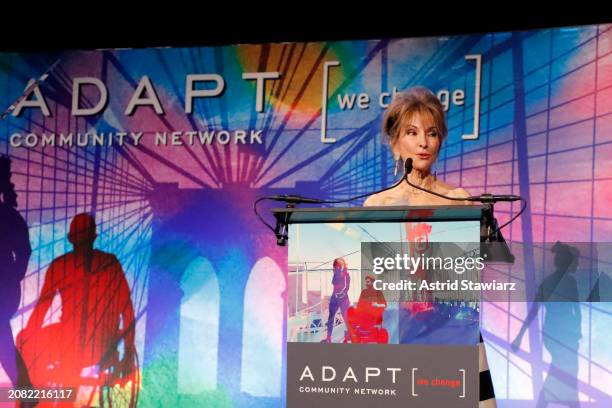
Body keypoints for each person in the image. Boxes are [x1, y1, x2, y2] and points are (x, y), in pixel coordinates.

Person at [364, 87, 496, 407]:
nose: (423, 142)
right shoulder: (376, 205)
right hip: (403, 330)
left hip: (453, 323)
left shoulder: (459, 199)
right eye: (412, 132)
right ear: (395, 143)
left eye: (432, 133)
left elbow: (474, 268)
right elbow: (371, 279)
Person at [17, 213, 137, 395]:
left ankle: (39, 394)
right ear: (94, 237)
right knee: (27, 342)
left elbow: (42, 308)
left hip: (71, 342)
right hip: (100, 346)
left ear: (70, 238)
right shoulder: (110, 263)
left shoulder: (59, 266)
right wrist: (128, 352)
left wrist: (27, 338)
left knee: (24, 342)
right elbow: (126, 310)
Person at [511, 242, 581, 407]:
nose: (578, 265)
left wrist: (519, 337)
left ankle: (547, 402)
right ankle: (551, 402)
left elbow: (533, 312)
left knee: (563, 371)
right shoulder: (570, 282)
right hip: (565, 336)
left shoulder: (547, 282)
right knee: (568, 372)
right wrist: (577, 332)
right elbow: (576, 312)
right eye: (576, 262)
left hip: (553, 334)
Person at [0, 156, 33, 390]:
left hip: (4, 288)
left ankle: (26, 390)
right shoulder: (11, 215)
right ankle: (27, 391)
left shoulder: (9, 216)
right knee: (2, 340)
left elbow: (24, 252)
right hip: (7, 287)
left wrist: (12, 277)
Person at [321, 258, 350, 343]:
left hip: (343, 298)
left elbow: (346, 288)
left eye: (337, 266)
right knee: (331, 318)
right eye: (335, 266)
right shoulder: (335, 273)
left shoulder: (346, 274)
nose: (335, 268)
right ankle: (328, 338)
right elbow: (334, 284)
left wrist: (340, 294)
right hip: (334, 298)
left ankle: (351, 335)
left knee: (346, 317)